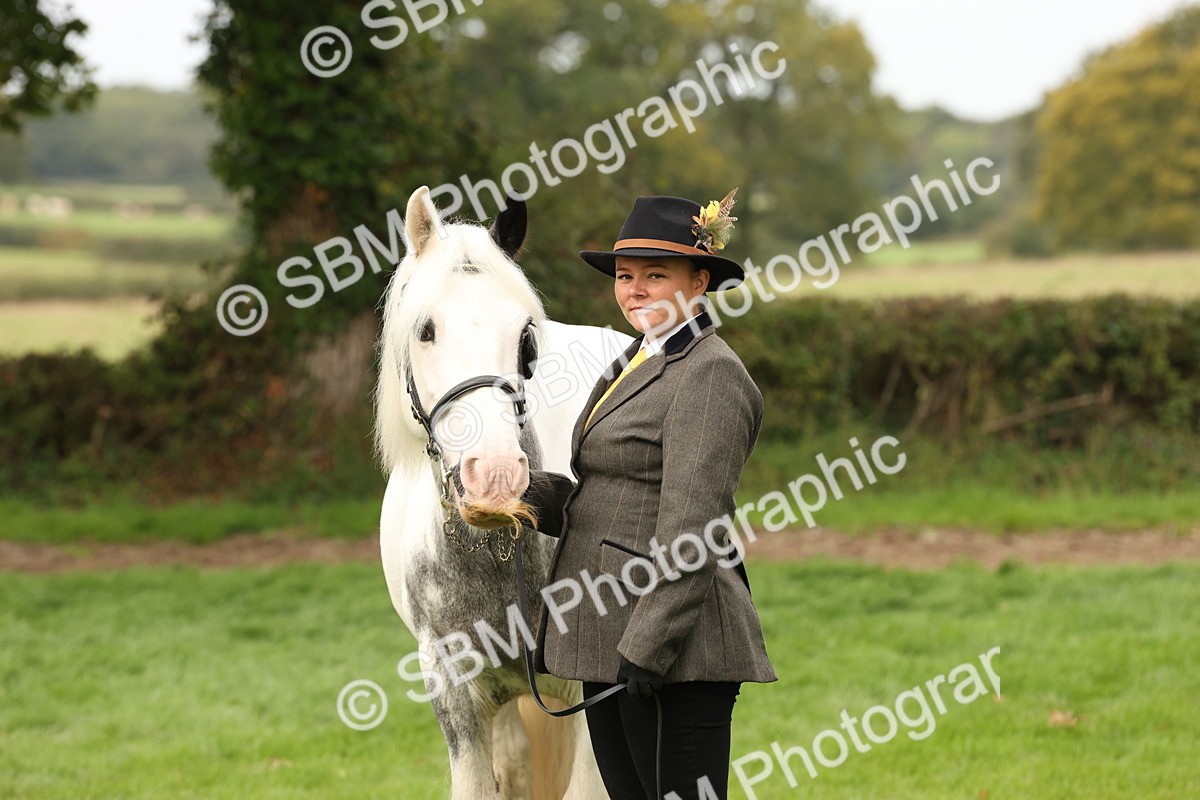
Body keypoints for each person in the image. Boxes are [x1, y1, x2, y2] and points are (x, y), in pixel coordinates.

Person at [521, 191, 777, 800]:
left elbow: (693, 529)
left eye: (655, 275)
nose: (634, 290)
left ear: (700, 281)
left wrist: (645, 649)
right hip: (609, 637)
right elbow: (605, 496)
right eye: (625, 275)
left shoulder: (710, 374)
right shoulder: (635, 360)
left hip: (672, 654)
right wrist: (521, 492)